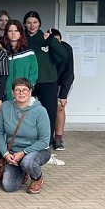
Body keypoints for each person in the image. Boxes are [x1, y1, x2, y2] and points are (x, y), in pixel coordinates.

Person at [0, 77, 51, 194]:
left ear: (30, 92)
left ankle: (37, 178)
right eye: (17, 90)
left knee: (28, 162)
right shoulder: (5, 107)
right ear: (12, 93)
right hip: (13, 153)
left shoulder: (40, 111)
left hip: (36, 151)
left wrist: (24, 153)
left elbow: (45, 140)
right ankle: (23, 172)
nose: (21, 93)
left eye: (24, 90)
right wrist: (5, 154)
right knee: (8, 186)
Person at [23, 11, 69, 147]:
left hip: (47, 81)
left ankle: (46, 144)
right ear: (25, 24)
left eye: (35, 22)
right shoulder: (22, 39)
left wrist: (51, 41)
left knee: (49, 114)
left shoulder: (46, 38)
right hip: (27, 82)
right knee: (25, 113)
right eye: (29, 22)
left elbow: (63, 55)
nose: (32, 25)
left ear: (40, 24)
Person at [1, 19, 38, 98]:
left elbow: (33, 74)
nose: (13, 33)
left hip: (23, 95)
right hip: (5, 95)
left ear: (21, 33)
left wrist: (26, 89)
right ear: (6, 33)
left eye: (16, 31)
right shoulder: (1, 53)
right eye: (10, 31)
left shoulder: (29, 53)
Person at [51, 29, 74, 151]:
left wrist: (63, 95)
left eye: (58, 41)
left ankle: (58, 138)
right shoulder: (45, 49)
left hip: (62, 82)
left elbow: (69, 73)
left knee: (60, 107)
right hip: (48, 82)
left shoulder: (66, 49)